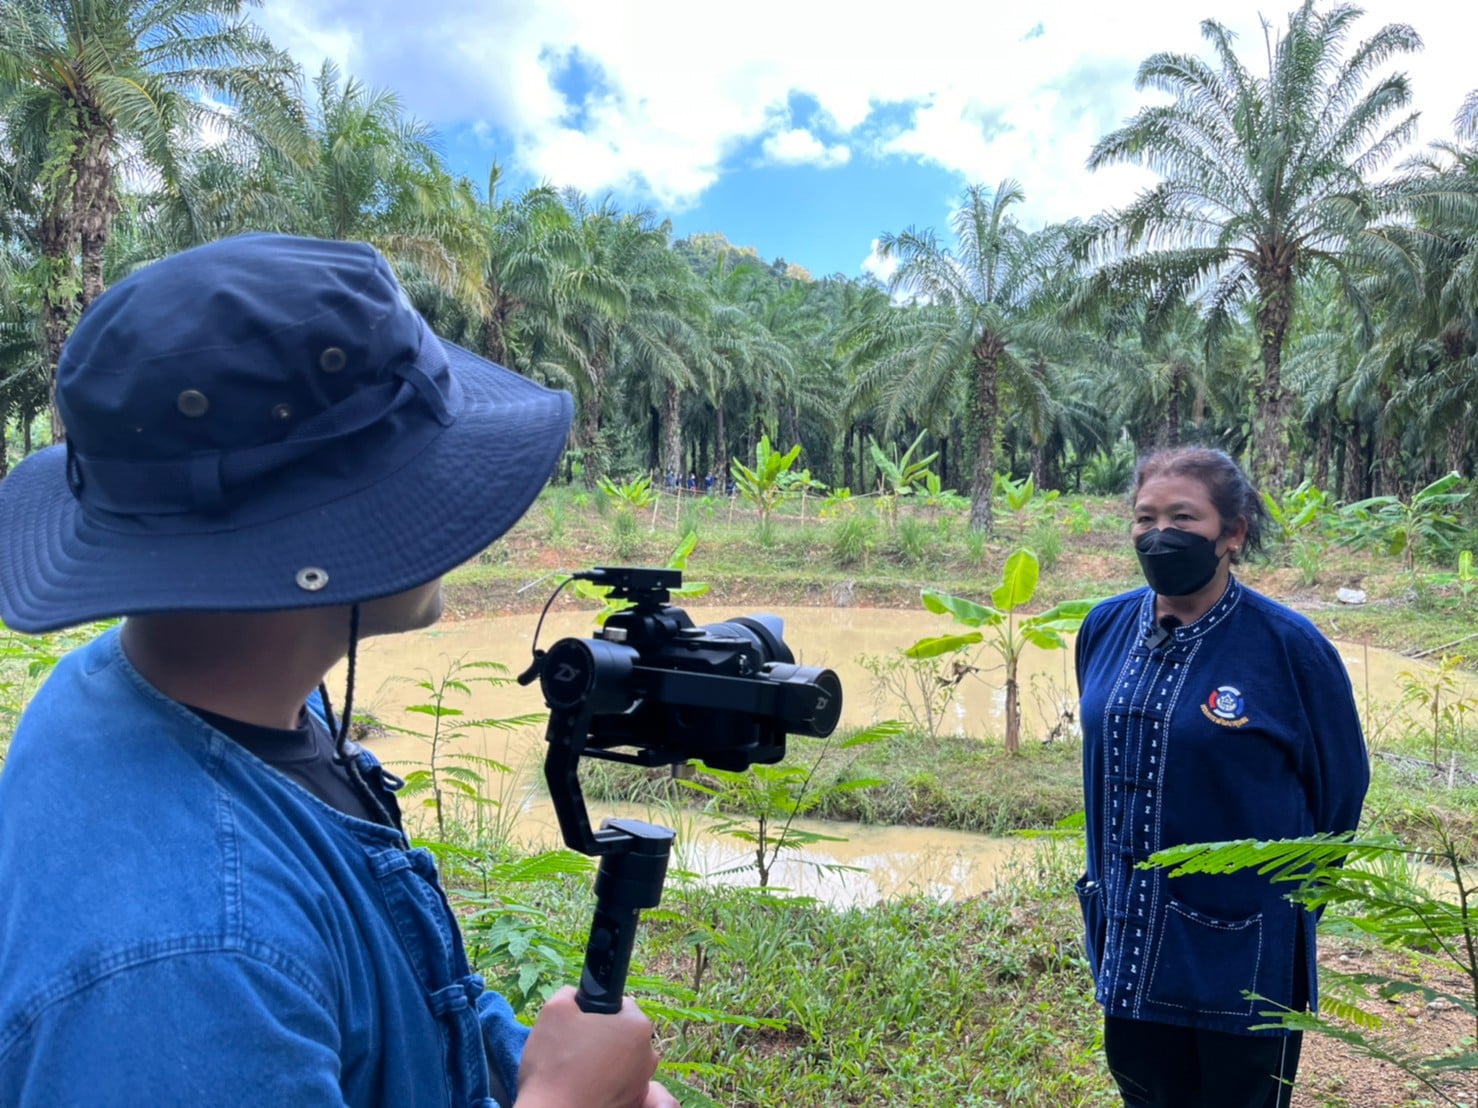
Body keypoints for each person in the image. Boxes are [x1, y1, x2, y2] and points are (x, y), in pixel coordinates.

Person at [0, 233, 678, 1108]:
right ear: (319, 534)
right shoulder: (197, 961)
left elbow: (391, 1004)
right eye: (418, 471)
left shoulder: (183, 687)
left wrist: (525, 1068)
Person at [1073, 447, 1369, 1108]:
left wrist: (1292, 907)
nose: (1160, 534)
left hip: (1244, 957)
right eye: (1145, 517)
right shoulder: (1105, 628)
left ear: (1232, 534)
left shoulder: (1288, 647)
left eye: (1184, 516)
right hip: (1128, 938)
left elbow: (1341, 789)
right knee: (1144, 1093)